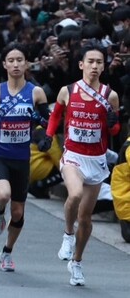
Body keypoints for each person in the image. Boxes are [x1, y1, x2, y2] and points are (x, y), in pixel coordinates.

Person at [41, 41, 120, 286]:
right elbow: (55, 116)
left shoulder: (110, 96)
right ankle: (67, 235)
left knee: (85, 218)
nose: (94, 66)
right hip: (73, 155)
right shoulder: (68, 91)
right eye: (90, 62)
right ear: (81, 64)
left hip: (95, 160)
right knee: (73, 194)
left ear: (104, 67)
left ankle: (76, 261)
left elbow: (115, 130)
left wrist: (111, 122)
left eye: (99, 62)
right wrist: (47, 136)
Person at [0, 43, 48, 272]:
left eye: (20, 60)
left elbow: (47, 123)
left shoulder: (36, 93)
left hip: (21, 158)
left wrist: (40, 127)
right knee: (3, 194)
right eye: (11, 60)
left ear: (26, 64)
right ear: (5, 64)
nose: (16, 64)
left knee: (18, 212)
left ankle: (7, 251)